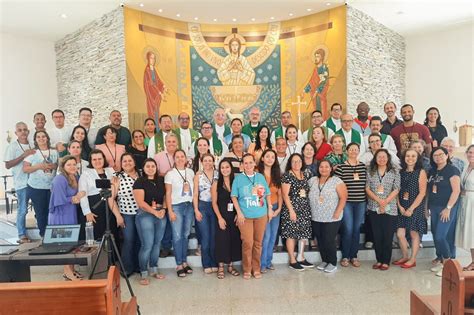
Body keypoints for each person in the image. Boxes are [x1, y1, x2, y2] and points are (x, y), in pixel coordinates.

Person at [231, 154, 271, 279]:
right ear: (242, 165)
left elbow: (267, 194)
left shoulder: (260, 177)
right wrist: (239, 213)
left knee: (258, 243)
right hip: (245, 216)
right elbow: (234, 196)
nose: (248, 165)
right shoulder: (238, 179)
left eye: (250, 162)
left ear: (255, 164)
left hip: (261, 214)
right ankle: (247, 268)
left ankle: (256, 268)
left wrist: (269, 209)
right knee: (248, 242)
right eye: (245, 163)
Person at [48, 156, 86, 281]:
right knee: (64, 243)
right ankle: (67, 271)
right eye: (69, 164)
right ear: (63, 166)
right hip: (60, 214)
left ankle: (71, 270)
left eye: (74, 164)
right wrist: (75, 198)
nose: (72, 166)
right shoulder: (60, 179)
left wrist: (78, 197)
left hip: (71, 212)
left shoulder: (75, 177)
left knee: (71, 243)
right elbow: (59, 199)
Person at [133, 158, 167, 285]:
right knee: (147, 245)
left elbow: (165, 196)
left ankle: (154, 269)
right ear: (144, 168)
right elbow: (141, 203)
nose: (151, 168)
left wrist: (163, 208)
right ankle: (143, 273)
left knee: (157, 243)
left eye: (153, 166)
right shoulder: (140, 181)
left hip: (160, 213)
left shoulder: (160, 180)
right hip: (145, 214)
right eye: (148, 166)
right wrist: (155, 213)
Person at [427, 147, 461, 277]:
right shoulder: (432, 171)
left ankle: (448, 264)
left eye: (441, 154)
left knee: (441, 235)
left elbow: (456, 191)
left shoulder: (452, 170)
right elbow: (430, 191)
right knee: (436, 234)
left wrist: (448, 208)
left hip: (447, 208)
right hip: (434, 207)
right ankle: (443, 260)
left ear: (447, 155)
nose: (438, 157)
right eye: (435, 155)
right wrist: (427, 208)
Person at [309, 160, 347, 273]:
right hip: (316, 216)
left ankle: (332, 262)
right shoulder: (312, 180)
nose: (324, 169)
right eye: (321, 166)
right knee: (320, 240)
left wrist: (338, 211)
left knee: (328, 239)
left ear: (331, 168)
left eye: (326, 167)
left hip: (332, 216)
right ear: (318, 168)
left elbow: (343, 197)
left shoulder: (337, 181)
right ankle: (325, 260)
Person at [366, 149, 400, 271]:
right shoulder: (370, 171)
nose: (381, 159)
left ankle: (386, 261)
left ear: (388, 158)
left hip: (390, 208)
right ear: (375, 158)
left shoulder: (394, 171)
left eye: (384, 157)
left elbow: (396, 188)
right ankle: (379, 260)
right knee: (377, 235)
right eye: (379, 157)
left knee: (387, 235)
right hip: (374, 206)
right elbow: (367, 188)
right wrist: (379, 201)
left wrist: (385, 201)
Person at [393, 149, 427, 269]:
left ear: (417, 158)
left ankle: (413, 259)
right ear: (404, 158)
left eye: (413, 156)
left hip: (415, 207)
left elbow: (422, 193)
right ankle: (405, 256)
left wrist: (411, 208)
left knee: (413, 233)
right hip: (402, 206)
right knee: (400, 233)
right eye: (407, 156)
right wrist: (400, 206)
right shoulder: (400, 172)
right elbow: (396, 190)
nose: (410, 158)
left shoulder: (421, 172)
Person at [335, 143, 367, 268]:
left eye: (356, 149)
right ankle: (345, 256)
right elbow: (337, 186)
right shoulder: (341, 167)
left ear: (359, 151)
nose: (354, 151)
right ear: (347, 151)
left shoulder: (363, 167)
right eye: (351, 149)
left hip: (361, 202)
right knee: (348, 229)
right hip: (347, 203)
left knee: (356, 228)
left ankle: (354, 256)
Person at [280, 153, 313, 271]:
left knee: (303, 234)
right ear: (290, 162)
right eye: (294, 161)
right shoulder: (287, 175)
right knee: (291, 234)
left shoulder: (304, 174)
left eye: (299, 161)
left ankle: (301, 257)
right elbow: (284, 194)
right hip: (292, 209)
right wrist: (291, 211)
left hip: (304, 208)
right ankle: (292, 260)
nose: (296, 163)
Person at [109, 153, 140, 277]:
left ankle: (139, 266)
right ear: (121, 164)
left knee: (140, 241)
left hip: (143, 213)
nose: (127, 163)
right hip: (126, 214)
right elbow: (111, 199)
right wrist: (118, 216)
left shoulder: (141, 174)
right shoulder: (117, 177)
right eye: (124, 161)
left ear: (134, 162)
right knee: (129, 240)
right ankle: (126, 268)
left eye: (130, 160)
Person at [4, 122, 35, 243]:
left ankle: (42, 232)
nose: (23, 132)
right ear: (16, 132)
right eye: (20, 130)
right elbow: (7, 165)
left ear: (28, 131)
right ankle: (21, 234)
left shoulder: (32, 145)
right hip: (22, 183)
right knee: (23, 209)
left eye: (25, 129)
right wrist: (23, 156)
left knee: (39, 208)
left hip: (36, 182)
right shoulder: (12, 147)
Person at [165, 150, 195, 277]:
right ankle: (178, 263)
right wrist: (170, 210)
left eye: (182, 156)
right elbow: (168, 193)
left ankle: (184, 261)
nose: (180, 159)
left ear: (185, 158)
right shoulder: (170, 174)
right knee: (177, 235)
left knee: (186, 234)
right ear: (174, 159)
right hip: (176, 206)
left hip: (189, 206)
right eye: (177, 157)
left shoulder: (191, 172)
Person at [23, 130, 58, 237]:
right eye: (38, 137)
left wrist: (54, 166)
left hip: (52, 187)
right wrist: (39, 166)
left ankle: (53, 236)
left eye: (43, 136)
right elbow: (25, 169)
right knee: (41, 213)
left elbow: (59, 166)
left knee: (52, 212)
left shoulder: (54, 152)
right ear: (35, 140)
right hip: (36, 188)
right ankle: (43, 236)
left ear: (47, 138)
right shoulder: (32, 153)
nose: (41, 138)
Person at [212, 158, 241, 279]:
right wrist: (219, 218)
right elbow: (214, 203)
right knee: (222, 241)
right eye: (222, 167)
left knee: (233, 240)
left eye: (227, 167)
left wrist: (238, 213)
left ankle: (230, 266)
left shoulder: (237, 181)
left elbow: (240, 199)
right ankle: (220, 267)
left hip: (234, 217)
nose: (225, 169)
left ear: (231, 168)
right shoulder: (216, 183)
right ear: (220, 169)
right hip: (222, 217)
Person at [78, 149, 117, 240]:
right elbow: (82, 194)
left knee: (112, 234)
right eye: (94, 159)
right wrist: (87, 212)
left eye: (99, 158)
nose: (97, 161)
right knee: (96, 235)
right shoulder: (86, 173)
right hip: (94, 208)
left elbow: (116, 187)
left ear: (104, 159)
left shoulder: (111, 171)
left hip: (110, 206)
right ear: (91, 161)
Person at [193, 153, 218, 274]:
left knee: (214, 237)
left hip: (215, 207)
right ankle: (206, 263)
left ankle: (214, 262)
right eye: (205, 161)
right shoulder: (198, 176)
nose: (208, 163)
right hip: (202, 206)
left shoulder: (218, 174)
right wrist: (196, 210)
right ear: (202, 162)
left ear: (213, 162)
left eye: (210, 160)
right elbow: (195, 194)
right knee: (206, 237)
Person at [258, 149, 282, 272]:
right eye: (267, 156)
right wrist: (268, 209)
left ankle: (268, 261)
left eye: (272, 157)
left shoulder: (277, 174)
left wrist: (278, 209)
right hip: (263, 208)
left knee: (273, 237)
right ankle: (261, 264)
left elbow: (280, 193)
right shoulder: (258, 174)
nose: (270, 159)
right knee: (265, 237)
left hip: (275, 208)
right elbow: (257, 194)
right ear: (262, 158)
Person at [455, 145, 474, 271]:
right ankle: (473, 261)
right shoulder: (466, 167)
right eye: (470, 152)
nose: (471, 155)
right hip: (466, 201)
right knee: (470, 234)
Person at [303, 48, 329, 114]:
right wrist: (304, 90)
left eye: (318, 56)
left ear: (322, 57)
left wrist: (317, 91)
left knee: (321, 110)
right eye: (315, 56)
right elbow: (312, 82)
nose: (316, 58)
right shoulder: (315, 69)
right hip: (315, 94)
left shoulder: (324, 68)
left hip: (320, 95)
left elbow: (324, 82)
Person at [144, 51, 166, 123]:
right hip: (151, 96)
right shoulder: (147, 70)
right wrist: (160, 93)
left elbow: (158, 80)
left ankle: (157, 128)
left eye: (154, 58)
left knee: (157, 112)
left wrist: (163, 85)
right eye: (151, 58)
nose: (153, 60)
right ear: (148, 59)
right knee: (153, 113)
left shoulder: (153, 69)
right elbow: (151, 84)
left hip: (156, 95)